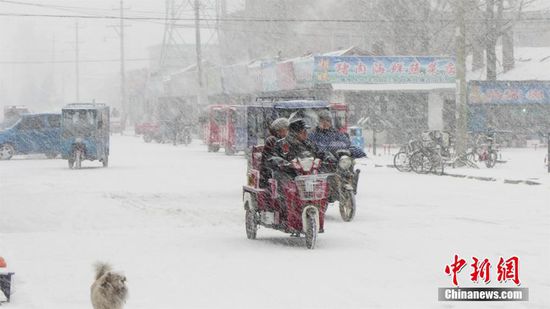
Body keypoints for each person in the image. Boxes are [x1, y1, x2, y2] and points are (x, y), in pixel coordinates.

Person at [259, 118, 289, 187]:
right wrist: (283, 162)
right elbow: (272, 157)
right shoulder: (272, 140)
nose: (288, 132)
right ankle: (280, 195)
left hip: (282, 167)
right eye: (286, 129)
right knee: (279, 175)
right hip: (269, 169)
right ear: (279, 130)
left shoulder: (286, 140)